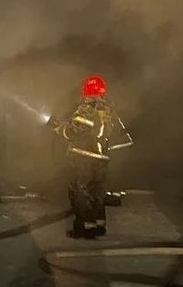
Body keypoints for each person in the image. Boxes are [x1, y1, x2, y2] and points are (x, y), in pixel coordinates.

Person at [46, 75, 133, 239]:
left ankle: (83, 228)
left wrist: (58, 128)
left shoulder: (87, 109)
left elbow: (73, 132)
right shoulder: (109, 111)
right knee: (97, 192)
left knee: (79, 192)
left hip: (82, 158)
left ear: (87, 91)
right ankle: (98, 226)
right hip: (102, 159)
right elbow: (118, 135)